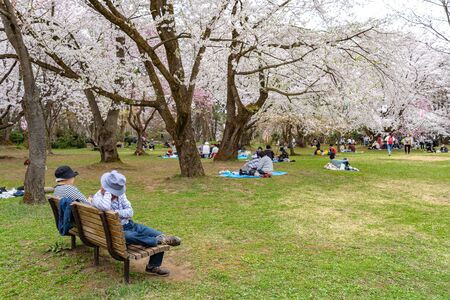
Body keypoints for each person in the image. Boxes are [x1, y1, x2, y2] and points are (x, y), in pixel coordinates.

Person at [93, 170, 181, 277]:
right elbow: (106, 207)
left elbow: (130, 212)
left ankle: (152, 265)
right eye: (114, 191)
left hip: (130, 225)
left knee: (158, 234)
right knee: (129, 236)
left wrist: (116, 213)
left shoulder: (121, 195)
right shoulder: (98, 198)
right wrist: (107, 192)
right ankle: (158, 241)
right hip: (115, 232)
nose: (116, 194)